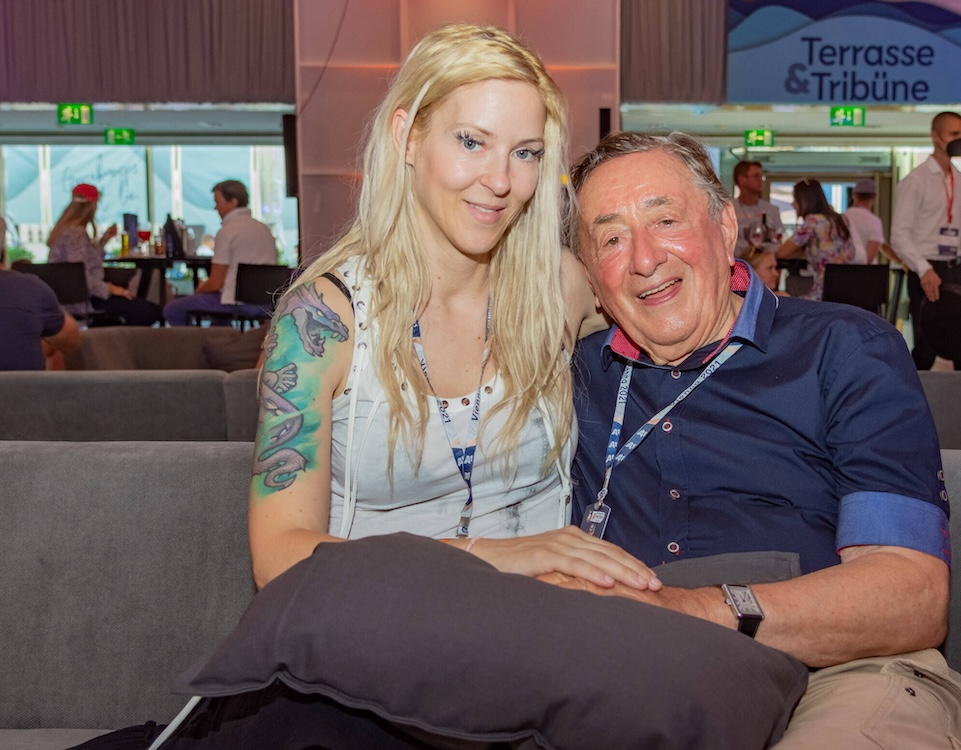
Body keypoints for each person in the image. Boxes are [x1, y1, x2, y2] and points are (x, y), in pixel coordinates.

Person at [565, 130, 961, 749]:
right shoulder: (573, 378)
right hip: (635, 675)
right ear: (588, 276)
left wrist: (704, 610)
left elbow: (911, 595)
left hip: (840, 671)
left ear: (726, 227)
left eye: (666, 219)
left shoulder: (845, 349)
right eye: (610, 238)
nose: (644, 257)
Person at [246, 23, 655, 593]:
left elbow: (684, 331)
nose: (499, 180)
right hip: (377, 630)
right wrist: (489, 556)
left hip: (539, 628)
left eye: (525, 153)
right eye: (471, 141)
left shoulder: (559, 285)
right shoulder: (321, 323)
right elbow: (281, 559)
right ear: (408, 137)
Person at [891, 111, 961, 370]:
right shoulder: (916, 180)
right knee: (928, 345)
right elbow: (898, 234)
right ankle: (906, 403)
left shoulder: (960, 179)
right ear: (935, 137)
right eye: (954, 134)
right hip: (926, 270)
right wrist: (923, 269)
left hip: (955, 267)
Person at [163, 180, 279, 326]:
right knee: (219, 312)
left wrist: (199, 290)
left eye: (218, 202)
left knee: (172, 309)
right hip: (265, 303)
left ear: (233, 202)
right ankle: (219, 343)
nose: (215, 207)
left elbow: (215, 283)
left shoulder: (227, 231)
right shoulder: (264, 230)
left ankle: (194, 345)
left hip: (235, 303)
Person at [47, 183, 162, 326]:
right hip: (83, 302)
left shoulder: (64, 231)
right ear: (92, 206)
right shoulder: (75, 234)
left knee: (138, 306)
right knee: (149, 311)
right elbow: (80, 275)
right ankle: (114, 342)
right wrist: (111, 289)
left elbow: (83, 263)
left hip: (73, 299)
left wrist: (103, 241)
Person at [0, 206, 80, 370]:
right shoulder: (30, 288)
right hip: (20, 393)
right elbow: (71, 340)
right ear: (0, 250)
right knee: (51, 348)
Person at [775, 178, 855, 301]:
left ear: (804, 200)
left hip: (823, 294)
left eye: (795, 199)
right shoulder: (840, 219)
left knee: (786, 302)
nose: (793, 204)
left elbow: (781, 253)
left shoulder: (813, 221)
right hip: (848, 292)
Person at [733, 160, 784, 257]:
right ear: (742, 180)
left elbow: (779, 238)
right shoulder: (729, 209)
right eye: (756, 176)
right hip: (736, 266)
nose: (760, 180)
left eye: (761, 176)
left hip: (763, 267)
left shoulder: (771, 210)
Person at [843, 178, 885, 264]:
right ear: (874, 196)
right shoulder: (874, 221)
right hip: (867, 273)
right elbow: (870, 257)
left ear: (854, 195)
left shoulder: (843, 218)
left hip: (845, 270)